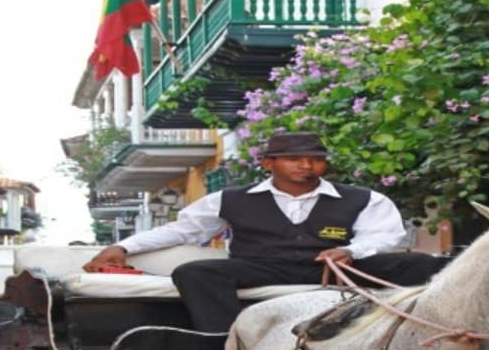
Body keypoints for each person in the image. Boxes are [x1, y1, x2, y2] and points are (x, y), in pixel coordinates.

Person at [83, 131, 447, 332]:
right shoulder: (230, 199)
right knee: (194, 272)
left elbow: (385, 237)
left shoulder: (363, 198)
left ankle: (428, 332)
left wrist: (351, 251)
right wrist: (123, 247)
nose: (308, 166)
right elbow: (183, 231)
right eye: (296, 159)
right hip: (261, 266)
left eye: (316, 159)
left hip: (334, 267)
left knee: (423, 265)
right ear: (269, 163)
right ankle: (225, 344)